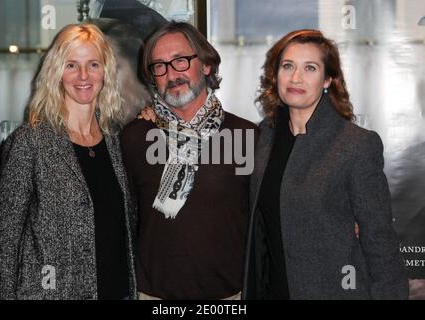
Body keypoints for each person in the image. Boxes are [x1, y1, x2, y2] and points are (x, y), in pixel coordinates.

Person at [242, 29, 409, 300]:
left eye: (310, 68)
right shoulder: (262, 139)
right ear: (276, 75)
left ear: (328, 79)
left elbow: (379, 241)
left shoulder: (355, 145)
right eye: (288, 66)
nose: (296, 77)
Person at [0, 23, 137, 300]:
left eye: (93, 64)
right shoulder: (29, 142)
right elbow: (4, 245)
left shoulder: (117, 142)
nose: (83, 75)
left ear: (105, 72)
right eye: (71, 65)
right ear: (57, 72)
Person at [121, 22, 258, 300]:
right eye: (159, 66)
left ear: (206, 65)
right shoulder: (134, 137)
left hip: (228, 297)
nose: (171, 74)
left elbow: (270, 216)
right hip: (152, 296)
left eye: (180, 61)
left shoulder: (248, 137)